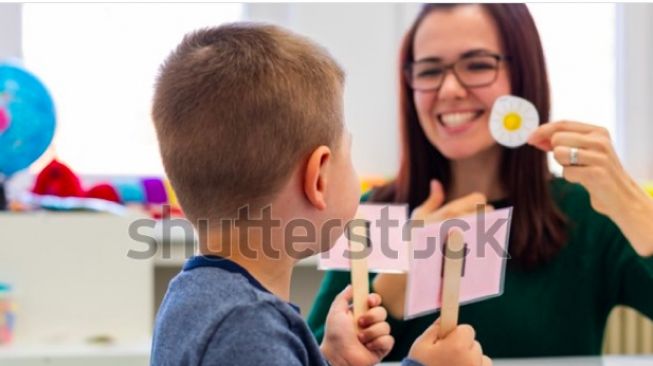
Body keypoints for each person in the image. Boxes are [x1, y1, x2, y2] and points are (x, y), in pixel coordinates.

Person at [308, 3, 653, 360]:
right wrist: (400, 276)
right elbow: (306, 355)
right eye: (429, 71)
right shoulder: (374, 212)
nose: (450, 89)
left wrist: (630, 202)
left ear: (523, 76)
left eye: (477, 65)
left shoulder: (585, 212)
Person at [149, 23, 492, 366]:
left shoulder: (192, 297)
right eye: (349, 152)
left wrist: (328, 360)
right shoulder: (248, 325)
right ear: (318, 178)